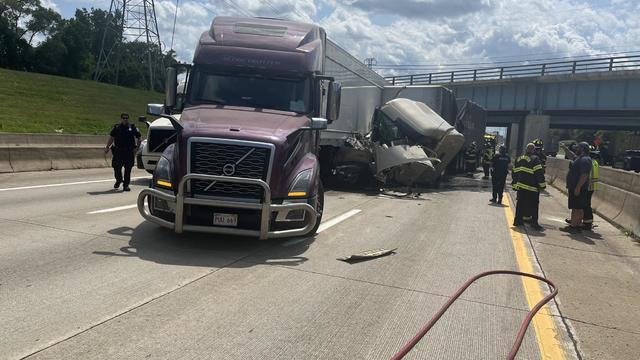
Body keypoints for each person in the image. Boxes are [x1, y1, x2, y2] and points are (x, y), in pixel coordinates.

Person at [562, 143, 599, 230]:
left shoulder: (585, 160)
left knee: (577, 208)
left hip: (580, 188)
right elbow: (572, 156)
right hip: (577, 187)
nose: (576, 149)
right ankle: (576, 224)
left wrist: (578, 187)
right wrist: (564, 148)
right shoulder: (580, 158)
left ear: (582, 149)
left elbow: (584, 175)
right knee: (577, 207)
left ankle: (574, 226)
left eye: (578, 148)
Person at [512, 143, 546, 231]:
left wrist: (515, 184)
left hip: (520, 187)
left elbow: (514, 172)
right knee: (534, 206)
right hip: (532, 187)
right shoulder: (535, 159)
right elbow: (539, 173)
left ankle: (517, 221)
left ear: (526, 149)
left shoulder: (518, 158)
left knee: (520, 205)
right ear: (533, 150)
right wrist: (542, 185)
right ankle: (534, 224)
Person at [104, 113, 141, 191]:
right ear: (121, 119)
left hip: (129, 152)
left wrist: (137, 148)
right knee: (117, 168)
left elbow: (139, 138)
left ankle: (126, 185)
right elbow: (111, 138)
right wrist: (107, 147)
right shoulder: (117, 127)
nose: (125, 119)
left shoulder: (132, 127)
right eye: (123, 118)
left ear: (128, 119)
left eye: (126, 118)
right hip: (118, 152)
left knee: (128, 169)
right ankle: (119, 180)